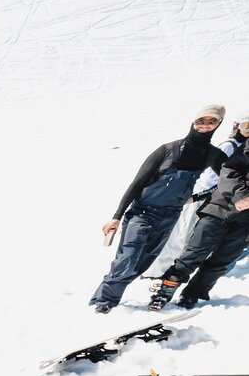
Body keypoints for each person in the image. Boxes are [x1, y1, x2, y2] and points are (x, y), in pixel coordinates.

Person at [89, 105, 228, 312]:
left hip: (170, 215)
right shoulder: (168, 150)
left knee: (143, 263)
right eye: (201, 121)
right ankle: (104, 302)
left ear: (219, 124)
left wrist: (198, 196)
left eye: (212, 121)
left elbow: (229, 180)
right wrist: (117, 216)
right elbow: (137, 183)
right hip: (142, 212)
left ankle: (103, 299)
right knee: (128, 258)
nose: (205, 125)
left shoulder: (213, 155)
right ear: (193, 121)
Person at [147, 131, 249, 309]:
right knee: (194, 253)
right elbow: (229, 170)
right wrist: (240, 196)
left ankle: (192, 294)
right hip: (220, 208)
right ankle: (165, 291)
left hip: (245, 223)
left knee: (221, 261)